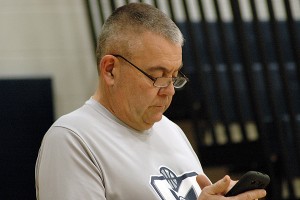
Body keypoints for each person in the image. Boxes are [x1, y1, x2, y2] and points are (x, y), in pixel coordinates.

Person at [35, 3, 267, 200]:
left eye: (174, 77)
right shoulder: (72, 139)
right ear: (110, 70)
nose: (169, 91)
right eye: (157, 76)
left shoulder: (171, 130)